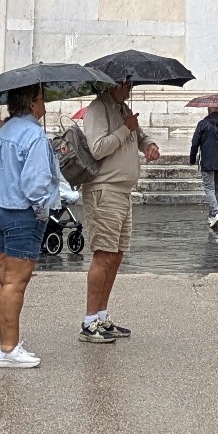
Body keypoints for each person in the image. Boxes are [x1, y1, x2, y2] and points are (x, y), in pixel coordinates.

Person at [76, 79, 159, 341]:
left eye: (131, 84)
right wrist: (125, 129)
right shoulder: (97, 109)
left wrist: (149, 145)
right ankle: (89, 321)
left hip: (122, 191)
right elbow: (97, 148)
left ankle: (102, 316)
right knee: (103, 254)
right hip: (104, 191)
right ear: (111, 83)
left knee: (116, 255)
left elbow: (139, 136)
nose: (129, 88)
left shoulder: (122, 109)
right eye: (124, 84)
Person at [0, 85, 60, 370]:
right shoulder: (34, 135)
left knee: (4, 280)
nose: (45, 105)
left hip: (0, 210)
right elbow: (35, 183)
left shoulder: (4, 131)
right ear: (31, 103)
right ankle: (8, 349)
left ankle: (6, 344)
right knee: (15, 283)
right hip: (21, 213)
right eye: (42, 100)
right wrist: (43, 211)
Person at [189, 105, 218, 230]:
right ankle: (212, 216)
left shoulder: (203, 124)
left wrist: (192, 159)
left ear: (208, 110)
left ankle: (215, 213)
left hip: (207, 161)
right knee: (216, 188)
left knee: (209, 188)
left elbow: (194, 143)